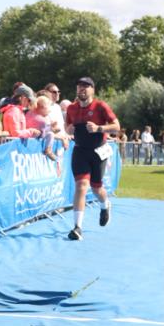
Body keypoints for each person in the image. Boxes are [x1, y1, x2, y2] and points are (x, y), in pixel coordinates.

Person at [65, 77, 120, 240]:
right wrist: (68, 129)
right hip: (80, 151)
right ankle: (77, 227)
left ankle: (105, 204)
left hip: (98, 152)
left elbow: (117, 127)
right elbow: (67, 127)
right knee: (81, 186)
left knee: (96, 188)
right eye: (79, 86)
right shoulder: (71, 108)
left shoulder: (100, 106)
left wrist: (99, 128)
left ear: (92, 90)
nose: (82, 89)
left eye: (86, 86)